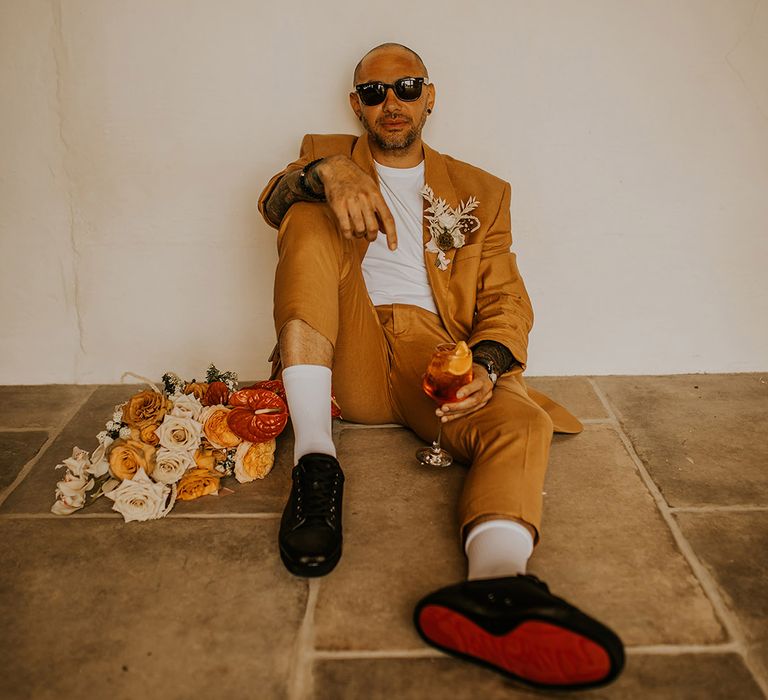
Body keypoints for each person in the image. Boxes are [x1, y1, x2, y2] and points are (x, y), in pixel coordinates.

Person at [258, 42, 624, 691]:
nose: (390, 102)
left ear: (430, 96)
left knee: (521, 423)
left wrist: (483, 363)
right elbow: (272, 201)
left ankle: (496, 586)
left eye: (406, 87)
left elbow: (507, 300)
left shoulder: (483, 191)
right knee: (307, 218)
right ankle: (317, 461)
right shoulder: (323, 149)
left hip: (435, 352)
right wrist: (327, 172)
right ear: (356, 106)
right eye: (374, 92)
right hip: (346, 337)